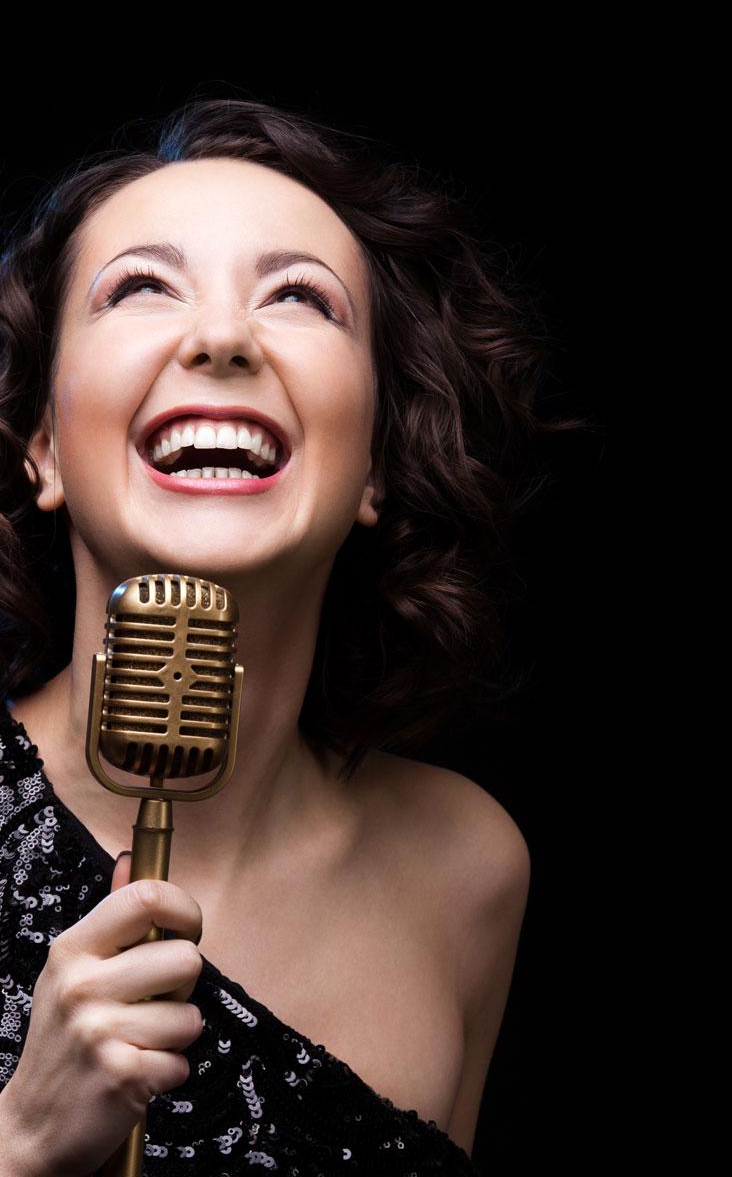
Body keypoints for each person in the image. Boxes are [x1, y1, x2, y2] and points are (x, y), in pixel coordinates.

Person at [0, 97, 595, 1172]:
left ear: (376, 463)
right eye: (141, 286)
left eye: (300, 298)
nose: (224, 337)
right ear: (39, 441)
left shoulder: (466, 870)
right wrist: (23, 1143)